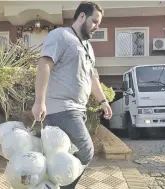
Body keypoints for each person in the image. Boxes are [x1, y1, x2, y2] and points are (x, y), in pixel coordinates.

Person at [32, 1, 113, 188]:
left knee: (64, 155)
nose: (96, 27)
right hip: (62, 108)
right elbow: (45, 64)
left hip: (78, 110)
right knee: (86, 150)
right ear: (82, 16)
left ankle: (50, 184)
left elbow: (92, 77)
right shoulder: (61, 35)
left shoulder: (88, 47)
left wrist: (103, 101)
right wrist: (39, 101)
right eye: (94, 22)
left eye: (99, 24)